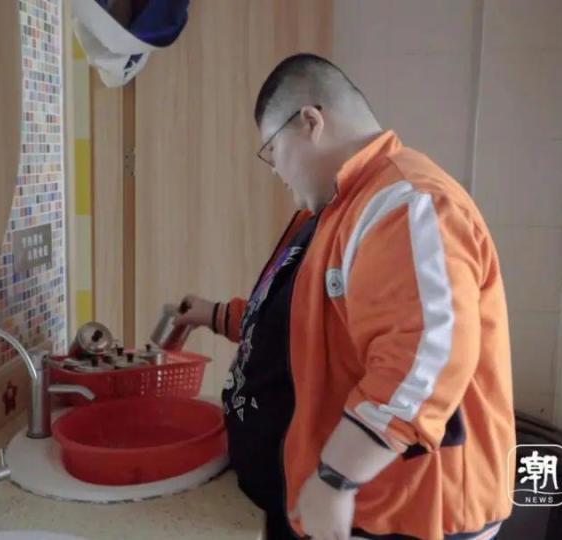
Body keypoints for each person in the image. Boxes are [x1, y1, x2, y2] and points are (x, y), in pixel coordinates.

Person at [176, 54, 514, 540]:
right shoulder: (340, 205)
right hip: (349, 501)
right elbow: (307, 321)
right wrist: (217, 316)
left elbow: (423, 358)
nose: (275, 171)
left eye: (272, 150)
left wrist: (336, 478)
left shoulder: (407, 203)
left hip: (410, 511)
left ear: (310, 122)